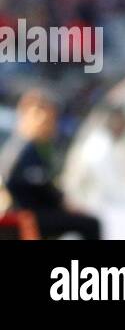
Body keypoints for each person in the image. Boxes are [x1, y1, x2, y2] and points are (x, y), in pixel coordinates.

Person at [0, 89, 101, 239]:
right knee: (90, 224)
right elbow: (24, 187)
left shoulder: (41, 147)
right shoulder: (23, 149)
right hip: (28, 214)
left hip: (40, 211)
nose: (49, 123)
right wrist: (61, 204)